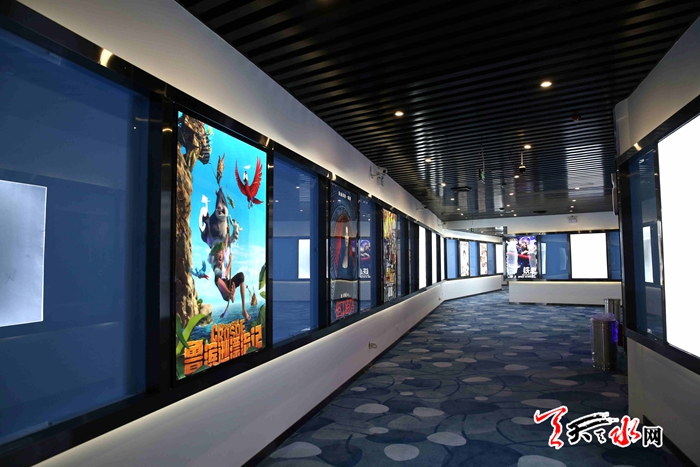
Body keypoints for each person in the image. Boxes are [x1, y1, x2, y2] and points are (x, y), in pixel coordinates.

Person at [209, 244, 249, 321]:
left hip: (228, 284)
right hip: (224, 292)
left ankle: (244, 309)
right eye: (218, 253)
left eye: (222, 253)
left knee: (241, 276)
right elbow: (225, 275)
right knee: (217, 278)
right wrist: (231, 262)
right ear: (215, 256)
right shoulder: (215, 267)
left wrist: (228, 237)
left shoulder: (223, 262)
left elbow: (226, 245)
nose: (220, 255)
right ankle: (230, 295)